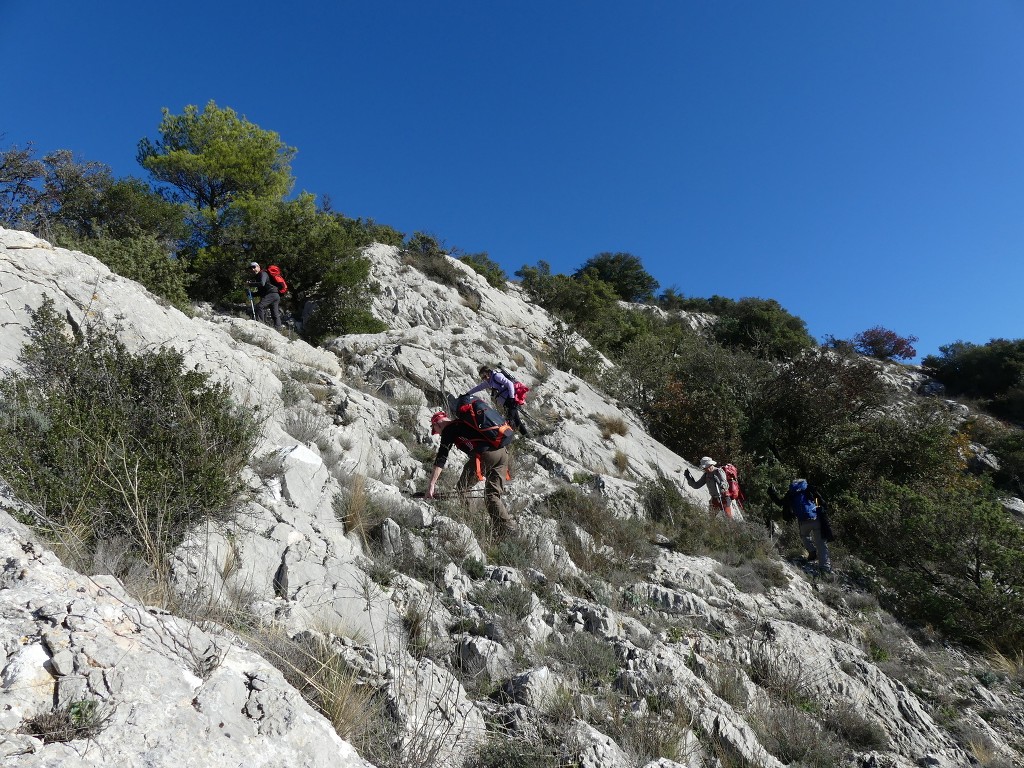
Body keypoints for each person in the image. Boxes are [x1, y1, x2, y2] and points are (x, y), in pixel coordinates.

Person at [425, 409, 517, 533]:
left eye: (436, 431)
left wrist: (431, 485)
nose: (439, 434)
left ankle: (471, 522)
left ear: (437, 424)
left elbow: (441, 458)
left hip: (485, 455)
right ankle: (507, 529)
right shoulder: (463, 422)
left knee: (462, 489)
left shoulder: (449, 429)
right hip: (502, 453)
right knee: (492, 495)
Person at [768, 479, 832, 574]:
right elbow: (819, 500)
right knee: (821, 544)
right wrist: (819, 507)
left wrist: (772, 493)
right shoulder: (808, 489)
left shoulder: (791, 493)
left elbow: (780, 502)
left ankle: (811, 551)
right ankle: (825, 568)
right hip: (815, 519)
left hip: (802, 521)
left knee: (804, 536)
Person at [464, 365, 529, 437]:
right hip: (506, 401)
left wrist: (512, 398)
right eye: (482, 378)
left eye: (484, 376)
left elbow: (510, 384)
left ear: (488, 373)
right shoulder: (489, 382)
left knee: (510, 419)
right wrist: (467, 394)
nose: (484, 379)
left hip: (512, 399)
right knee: (515, 420)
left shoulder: (497, 376)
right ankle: (525, 436)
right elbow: (478, 388)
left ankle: (509, 437)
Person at [248, 262, 283, 329]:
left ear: (258, 267)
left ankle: (261, 325)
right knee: (274, 313)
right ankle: (278, 328)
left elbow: (262, 283)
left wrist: (250, 284)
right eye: (251, 268)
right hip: (275, 295)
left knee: (259, 306)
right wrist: (252, 294)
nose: (252, 269)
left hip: (272, 294)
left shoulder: (263, 273)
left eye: (254, 267)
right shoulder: (258, 276)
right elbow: (261, 291)